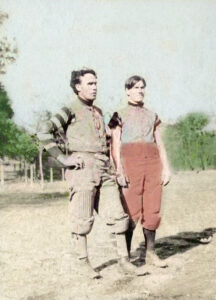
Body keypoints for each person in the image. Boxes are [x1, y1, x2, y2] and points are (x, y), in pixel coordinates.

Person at [37, 69, 144, 278]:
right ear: (78, 87)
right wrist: (63, 159)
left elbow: (104, 139)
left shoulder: (98, 111)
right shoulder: (69, 109)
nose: (94, 87)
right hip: (82, 168)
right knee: (82, 217)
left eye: (96, 83)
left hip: (104, 168)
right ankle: (82, 263)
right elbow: (43, 131)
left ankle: (124, 260)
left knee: (118, 215)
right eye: (90, 84)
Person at [109, 75, 171, 268]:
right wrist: (119, 169)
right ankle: (125, 258)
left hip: (153, 164)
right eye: (135, 87)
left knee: (153, 209)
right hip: (130, 164)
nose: (139, 91)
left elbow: (159, 142)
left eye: (142, 87)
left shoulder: (152, 115)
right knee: (130, 211)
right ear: (127, 91)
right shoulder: (119, 114)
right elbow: (115, 143)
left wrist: (166, 167)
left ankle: (151, 253)